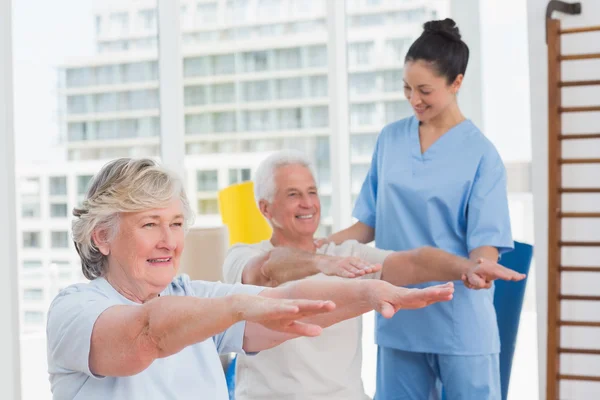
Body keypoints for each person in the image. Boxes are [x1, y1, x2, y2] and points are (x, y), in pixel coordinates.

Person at [46, 158, 455, 400]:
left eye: (175, 223)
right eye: (150, 224)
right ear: (102, 236)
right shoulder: (76, 310)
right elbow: (148, 334)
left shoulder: (190, 293)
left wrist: (367, 291)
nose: (169, 241)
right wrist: (238, 306)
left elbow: (289, 300)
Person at [222, 151, 524, 400]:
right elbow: (266, 269)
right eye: (293, 194)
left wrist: (466, 267)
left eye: (312, 192)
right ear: (265, 208)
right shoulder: (242, 256)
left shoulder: (349, 253)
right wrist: (321, 263)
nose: (308, 203)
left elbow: (415, 262)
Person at [326, 18, 515, 400]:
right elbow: (368, 225)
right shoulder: (390, 140)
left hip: (459, 317)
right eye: (407, 89)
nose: (414, 99)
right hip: (399, 313)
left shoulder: (482, 154)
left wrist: (480, 270)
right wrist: (321, 247)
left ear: (456, 83)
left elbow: (485, 245)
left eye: (425, 90)